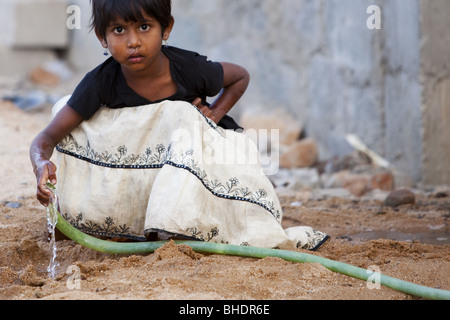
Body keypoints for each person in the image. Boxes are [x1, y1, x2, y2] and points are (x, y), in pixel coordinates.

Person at [30, 0, 329, 250]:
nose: (133, 41)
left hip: (205, 160)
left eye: (144, 27)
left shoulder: (190, 70)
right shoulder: (100, 82)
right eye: (119, 30)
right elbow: (46, 138)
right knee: (69, 114)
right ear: (102, 38)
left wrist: (214, 113)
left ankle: (173, 224)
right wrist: (41, 164)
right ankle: (85, 219)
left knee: (182, 117)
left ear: (166, 28)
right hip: (146, 166)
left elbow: (240, 77)